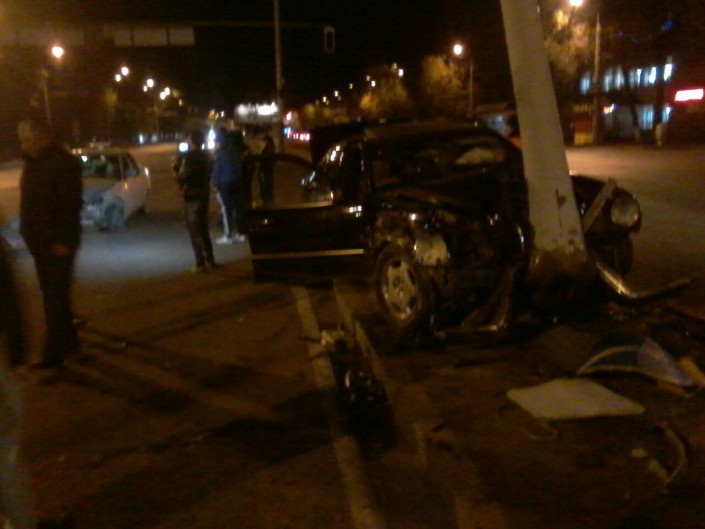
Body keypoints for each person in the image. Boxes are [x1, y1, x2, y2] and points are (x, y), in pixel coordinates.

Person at [17, 118, 82, 370]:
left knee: (54, 300)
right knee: (56, 299)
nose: (24, 146)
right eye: (22, 140)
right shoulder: (33, 164)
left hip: (58, 245)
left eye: (27, 140)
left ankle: (53, 355)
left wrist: (63, 241)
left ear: (43, 137)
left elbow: (70, 206)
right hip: (40, 244)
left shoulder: (64, 164)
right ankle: (71, 346)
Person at [176, 130, 217, 273]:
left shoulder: (189, 158)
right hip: (204, 193)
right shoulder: (207, 156)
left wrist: (176, 170)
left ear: (192, 141)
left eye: (189, 139)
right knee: (204, 228)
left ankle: (200, 263)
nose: (187, 142)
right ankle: (210, 259)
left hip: (192, 195)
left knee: (194, 229)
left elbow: (183, 176)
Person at [211, 128, 246, 244]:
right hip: (237, 181)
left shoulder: (219, 152)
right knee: (238, 208)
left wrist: (215, 183)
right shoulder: (235, 150)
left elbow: (217, 169)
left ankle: (228, 235)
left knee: (226, 209)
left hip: (224, 183)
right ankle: (241, 233)